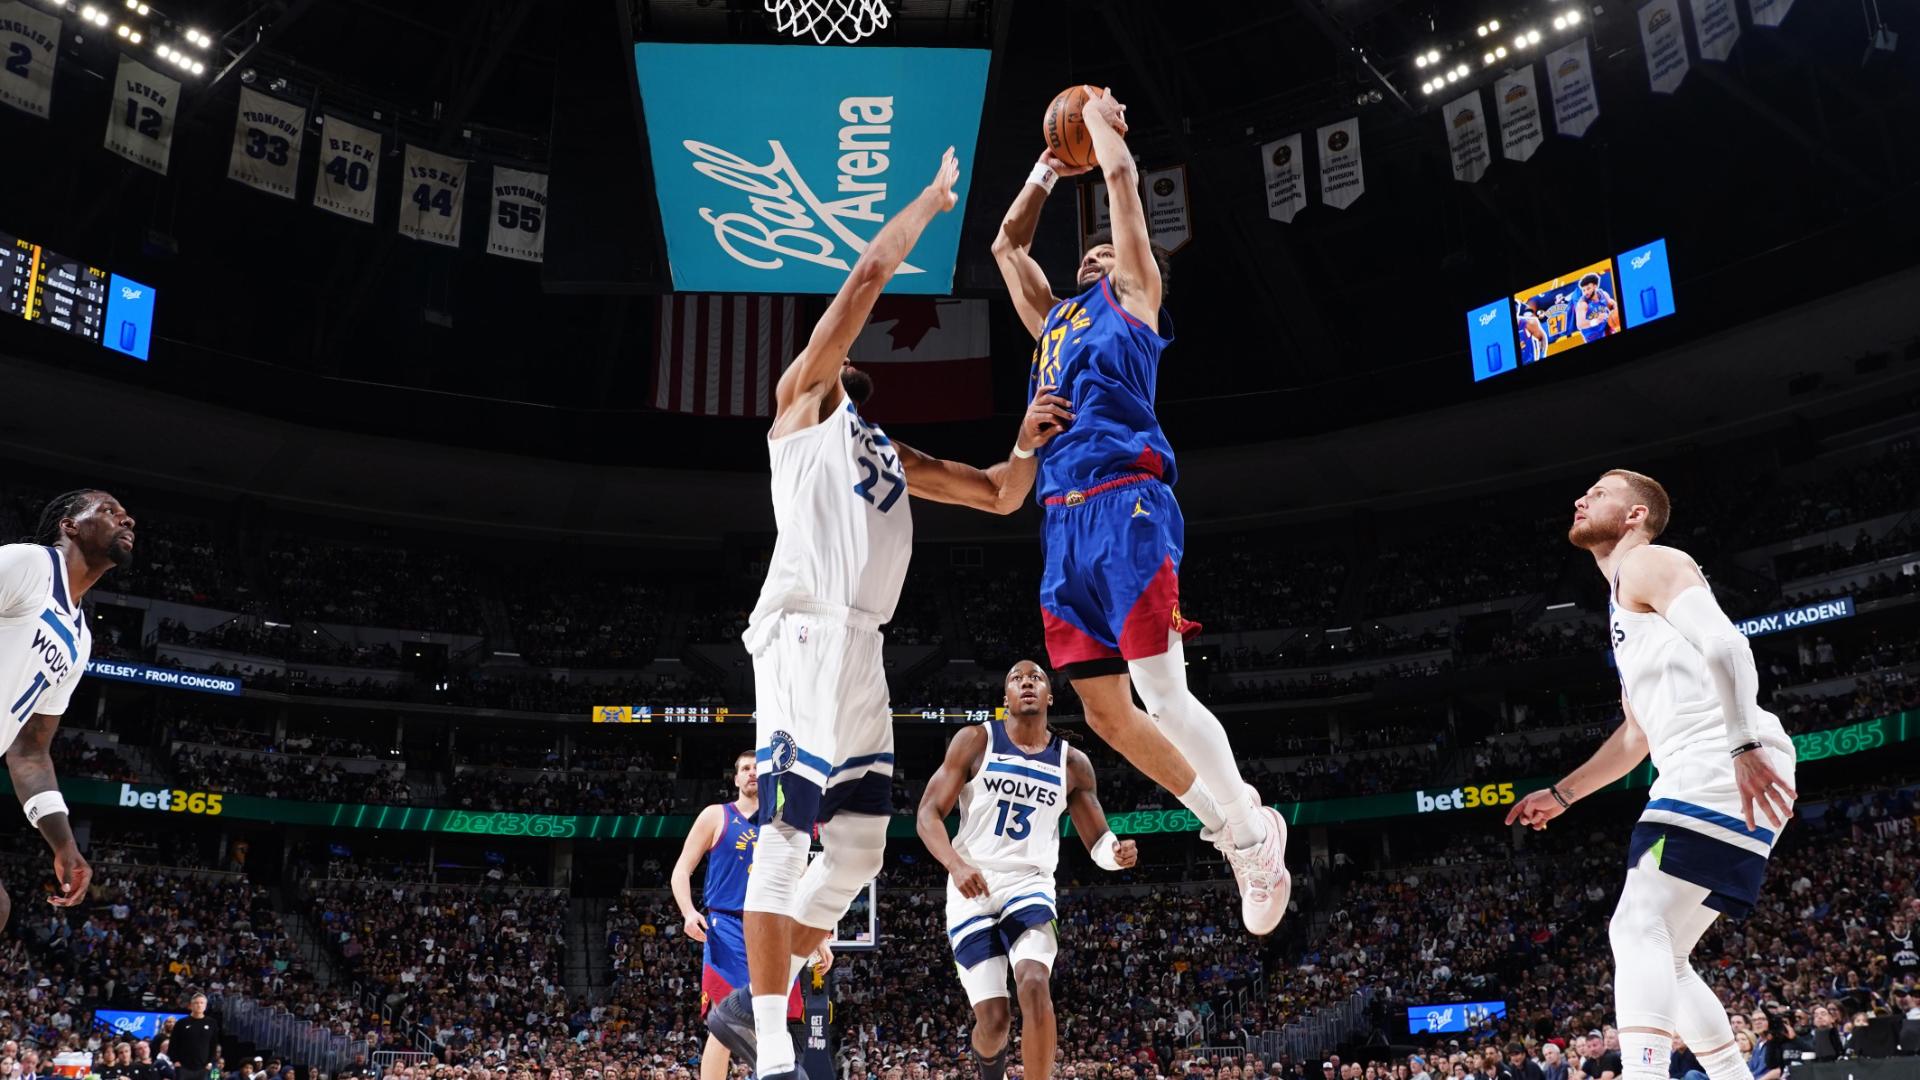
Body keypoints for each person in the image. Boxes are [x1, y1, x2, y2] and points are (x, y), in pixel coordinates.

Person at [707, 147, 1077, 1080]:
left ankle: (766, 990)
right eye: (844, 372)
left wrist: (1027, 438)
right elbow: (870, 275)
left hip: (862, 644)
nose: (849, 377)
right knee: (788, 835)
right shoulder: (797, 411)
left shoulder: (882, 449)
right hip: (804, 628)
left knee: (864, 844)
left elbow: (997, 495)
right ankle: (769, 1045)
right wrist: (929, 204)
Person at [989, 85, 1289, 935]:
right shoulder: (1053, 322)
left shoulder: (1135, 301)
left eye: (1104, 256)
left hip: (1128, 508)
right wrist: (1048, 164)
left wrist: (1099, 124)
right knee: (1105, 713)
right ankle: (1237, 824)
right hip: (1061, 522)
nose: (1092, 260)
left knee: (1162, 691)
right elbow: (1007, 243)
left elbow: (1121, 186)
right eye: (1082, 258)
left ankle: (1247, 836)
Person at [1508, 470, 1799, 1080]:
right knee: (1664, 952)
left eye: (1601, 492)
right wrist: (1565, 793)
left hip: (1718, 753)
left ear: (1636, 515)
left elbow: (1728, 644)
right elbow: (1636, 738)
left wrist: (1742, 742)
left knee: (1637, 923)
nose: (1582, 498)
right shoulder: (1624, 605)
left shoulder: (1648, 562)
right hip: (1711, 757)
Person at [915, 661, 1138, 1080]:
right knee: (994, 1023)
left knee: (1034, 981)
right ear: (1006, 698)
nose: (1027, 683)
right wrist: (955, 864)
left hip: (1029, 884)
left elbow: (1099, 841)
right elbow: (927, 814)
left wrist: (1116, 853)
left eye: (1036, 677)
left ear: (1050, 696)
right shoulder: (976, 740)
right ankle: (990, 1072)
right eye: (1016, 678)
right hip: (971, 887)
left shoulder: (1073, 763)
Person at [1, 490, 133, 929]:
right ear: (70, 525)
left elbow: (30, 751)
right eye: (111, 512)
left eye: (126, 515)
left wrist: (63, 843)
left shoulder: (79, 642)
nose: (126, 520)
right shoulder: (29, 565)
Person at [672, 750, 830, 1080]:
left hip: (774, 925)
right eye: (745, 768)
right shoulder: (716, 816)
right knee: (723, 1019)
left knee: (771, 1022)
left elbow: (800, 881)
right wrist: (688, 912)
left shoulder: (782, 822)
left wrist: (820, 936)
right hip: (727, 925)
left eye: (758, 768)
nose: (752, 773)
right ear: (736, 778)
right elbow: (681, 870)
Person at [169, 993, 219, 1080]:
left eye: (202, 1003)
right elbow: (173, 1043)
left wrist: (210, 1062)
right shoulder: (181, 1023)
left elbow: (213, 1044)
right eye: (196, 1003)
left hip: (203, 1068)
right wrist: (175, 1061)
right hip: (183, 1067)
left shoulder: (212, 1023)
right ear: (191, 1005)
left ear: (205, 1006)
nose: (199, 1005)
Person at [1573, 275, 1617, 343]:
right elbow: (1580, 324)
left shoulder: (1603, 294)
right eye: (1583, 290)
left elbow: (1612, 304)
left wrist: (1615, 310)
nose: (1585, 293)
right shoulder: (1582, 304)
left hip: (1606, 329)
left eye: (1588, 289)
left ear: (1595, 286)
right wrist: (1596, 321)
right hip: (1592, 336)